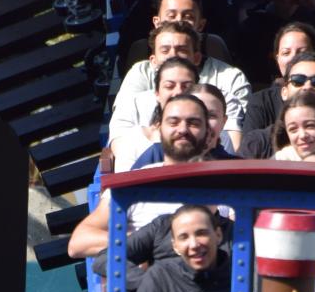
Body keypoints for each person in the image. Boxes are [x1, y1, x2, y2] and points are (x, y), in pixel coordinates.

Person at [70, 93, 213, 258]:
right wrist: (145, 242)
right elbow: (79, 242)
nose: (182, 129)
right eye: (173, 122)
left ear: (208, 133)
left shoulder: (228, 182)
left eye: (193, 123)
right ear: (159, 129)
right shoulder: (133, 184)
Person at [109, 14, 248, 148]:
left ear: (197, 58)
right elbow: (122, 151)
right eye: (165, 51)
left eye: (182, 50)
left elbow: (233, 148)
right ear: (153, 61)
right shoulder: (132, 105)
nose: (173, 55)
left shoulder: (222, 101)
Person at [131, 204, 232, 292]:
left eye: (201, 233)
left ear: (218, 235)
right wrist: (146, 282)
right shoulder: (160, 276)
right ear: (174, 246)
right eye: (183, 237)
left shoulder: (239, 277)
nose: (194, 245)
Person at [111, 56, 200, 171]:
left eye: (187, 86)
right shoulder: (134, 141)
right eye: (169, 86)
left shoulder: (211, 136)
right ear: (157, 93)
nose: (178, 92)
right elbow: (124, 180)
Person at [131, 82, 240, 167]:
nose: (183, 129)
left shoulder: (236, 168)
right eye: (194, 117)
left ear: (224, 121)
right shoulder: (154, 155)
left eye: (211, 116)